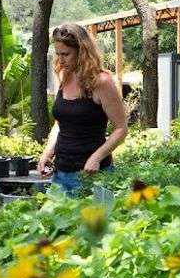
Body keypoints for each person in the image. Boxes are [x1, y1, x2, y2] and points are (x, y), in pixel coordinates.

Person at [37, 22, 128, 195]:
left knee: (93, 223)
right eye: (58, 54)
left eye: (66, 54)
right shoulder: (65, 75)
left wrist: (96, 157)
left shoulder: (101, 81)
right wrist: (47, 153)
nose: (61, 60)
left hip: (92, 176)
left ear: (82, 51)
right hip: (60, 175)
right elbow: (61, 123)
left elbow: (121, 129)